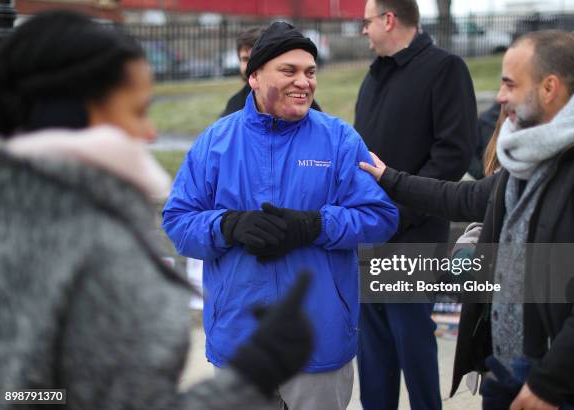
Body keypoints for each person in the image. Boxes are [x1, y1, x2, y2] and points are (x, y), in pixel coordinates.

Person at [0, 11, 314, 409]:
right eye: (137, 110)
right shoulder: (77, 237)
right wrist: (252, 376)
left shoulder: (39, 210)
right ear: (79, 111)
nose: (150, 133)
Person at [359, 30, 574, 410]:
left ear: (549, 88)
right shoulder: (528, 155)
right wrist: (389, 178)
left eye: (509, 84)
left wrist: (548, 383)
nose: (501, 96)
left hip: (560, 385)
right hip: (506, 373)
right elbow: (463, 197)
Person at [162, 21, 399, 410]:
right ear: (254, 76)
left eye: (310, 72)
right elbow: (177, 221)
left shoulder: (339, 139)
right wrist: (228, 225)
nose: (303, 82)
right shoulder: (214, 143)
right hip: (240, 343)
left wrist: (314, 225)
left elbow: (380, 217)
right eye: (288, 71)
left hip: (318, 340)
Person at [354, 1, 477, 409]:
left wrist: (400, 211)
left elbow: (453, 154)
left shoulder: (444, 68)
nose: (364, 31)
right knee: (373, 357)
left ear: (389, 19)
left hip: (415, 237)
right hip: (370, 236)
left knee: (413, 349)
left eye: (367, 22)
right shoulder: (373, 78)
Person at [220, 26, 321, 117]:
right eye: (245, 59)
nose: (252, 65)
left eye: (255, 59)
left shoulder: (303, 102)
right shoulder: (235, 105)